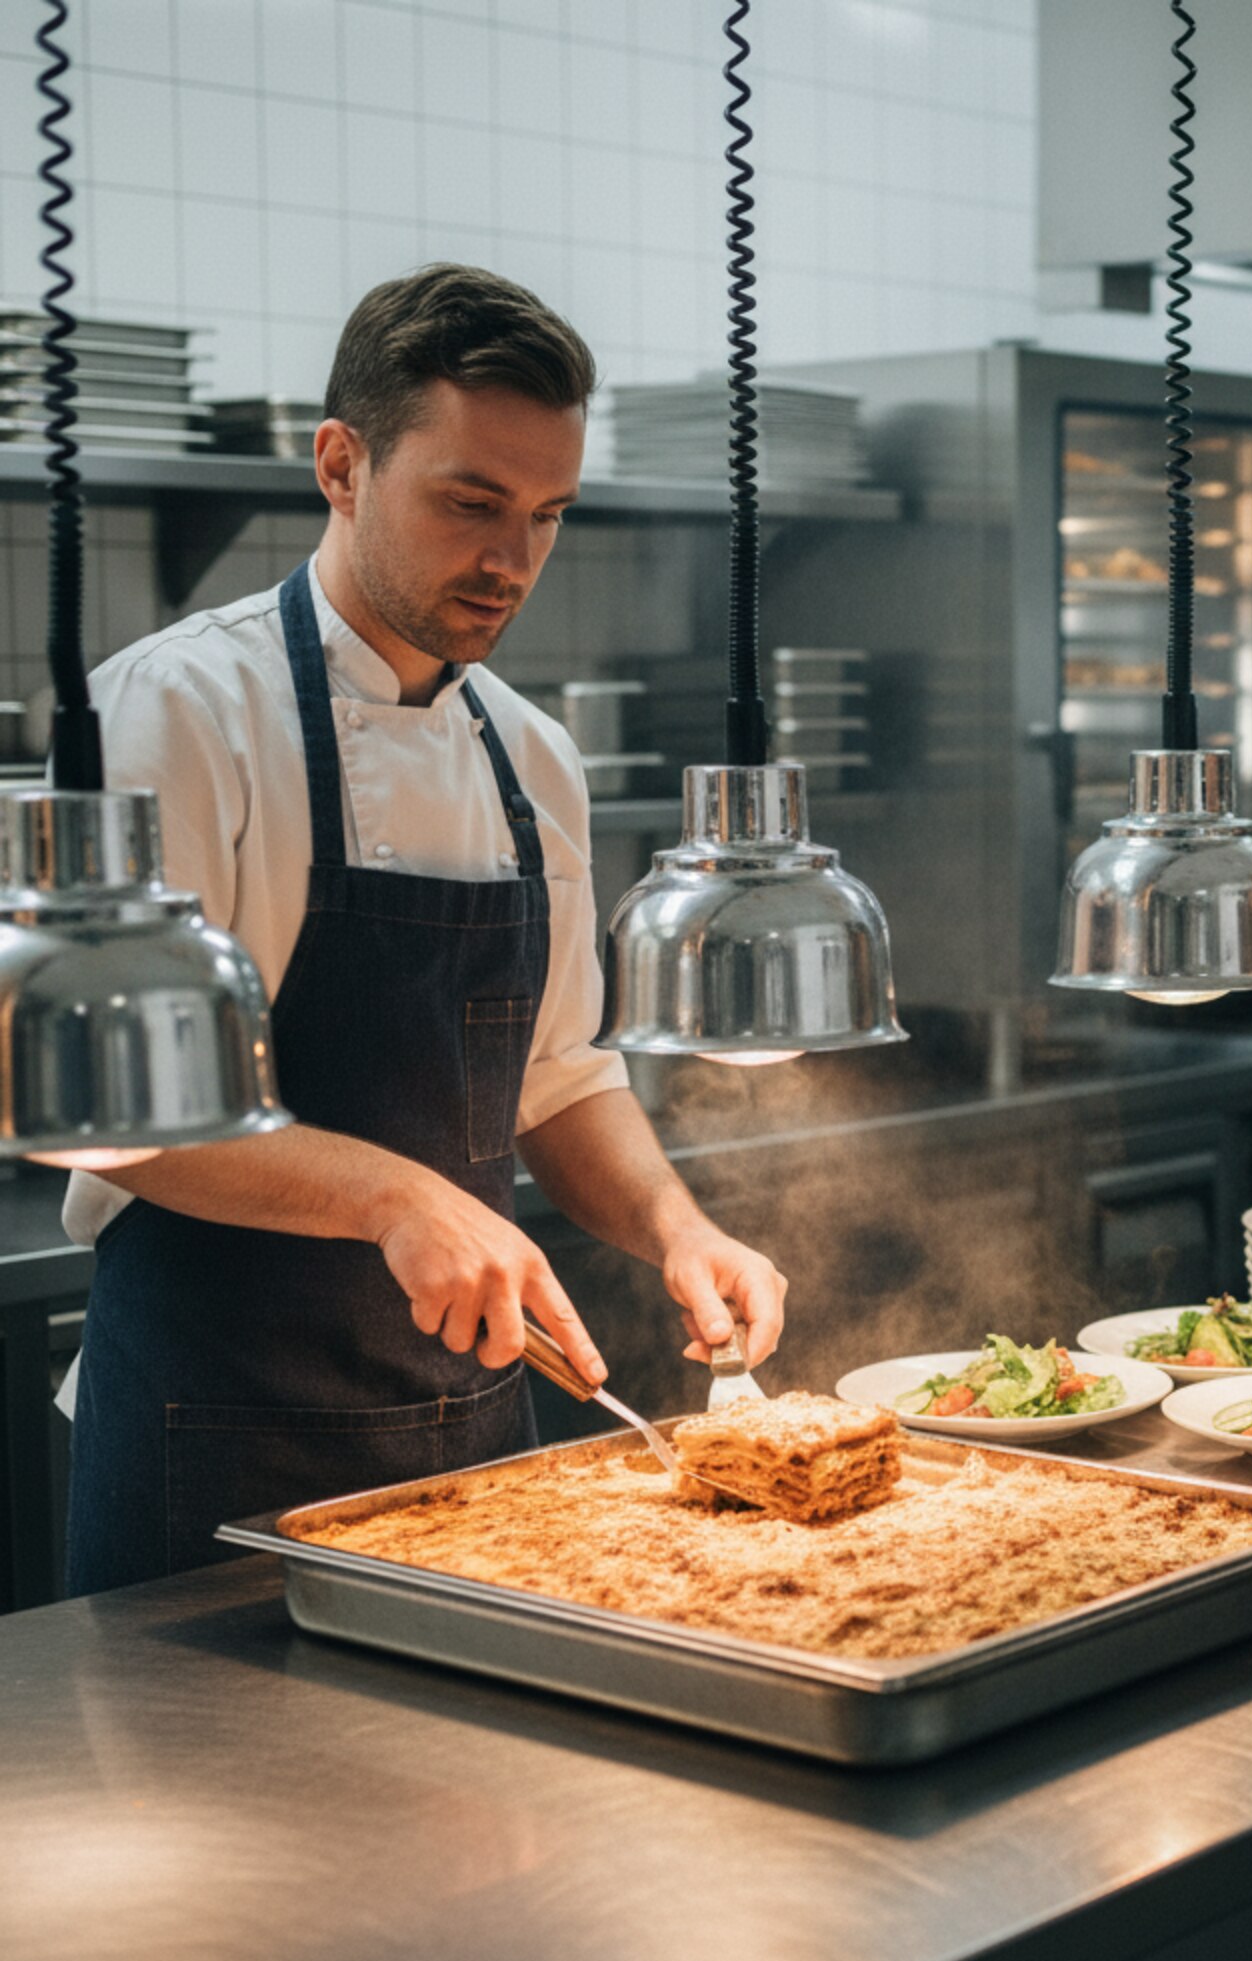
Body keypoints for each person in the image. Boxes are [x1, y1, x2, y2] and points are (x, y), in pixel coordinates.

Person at [62, 265, 787, 1595]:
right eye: (471, 503)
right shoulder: (174, 714)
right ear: (341, 464)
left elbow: (561, 1082)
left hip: (469, 1445)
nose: (512, 561)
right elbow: (122, 1115)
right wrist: (399, 1197)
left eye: (547, 516)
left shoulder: (533, 756)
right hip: (214, 1439)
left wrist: (680, 1230)